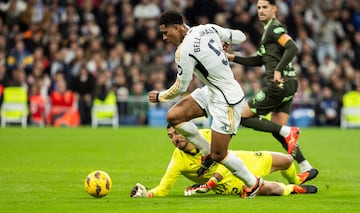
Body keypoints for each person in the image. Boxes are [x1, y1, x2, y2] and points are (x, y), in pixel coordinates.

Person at [147, 10, 262, 198]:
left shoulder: (184, 51)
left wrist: (160, 96)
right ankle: (206, 150)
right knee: (174, 116)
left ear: (177, 27)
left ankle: (253, 183)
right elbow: (240, 36)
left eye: (166, 32)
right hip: (210, 91)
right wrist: (225, 43)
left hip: (227, 100)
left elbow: (181, 86)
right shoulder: (208, 29)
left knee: (220, 155)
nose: (164, 37)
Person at [225, 0, 318, 176]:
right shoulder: (268, 31)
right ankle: (306, 166)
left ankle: (287, 131)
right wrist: (233, 57)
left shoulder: (275, 28)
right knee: (277, 130)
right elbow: (259, 60)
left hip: (278, 85)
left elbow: (292, 47)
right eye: (259, 7)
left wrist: (278, 70)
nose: (261, 10)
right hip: (290, 84)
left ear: (274, 9)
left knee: (242, 117)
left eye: (265, 7)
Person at [130, 126, 318, 198]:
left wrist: (210, 183)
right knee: (272, 189)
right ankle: (293, 189)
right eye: (170, 136)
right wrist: (146, 194)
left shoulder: (205, 135)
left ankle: (296, 180)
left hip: (241, 160)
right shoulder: (178, 160)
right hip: (230, 184)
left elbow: (223, 157)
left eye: (177, 133)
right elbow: (164, 188)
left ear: (186, 131)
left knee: (286, 160)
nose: (174, 138)